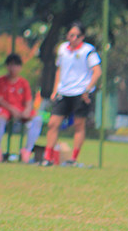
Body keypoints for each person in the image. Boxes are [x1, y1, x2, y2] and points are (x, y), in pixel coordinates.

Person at [43, 22, 102, 166]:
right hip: (64, 92)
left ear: (82, 37)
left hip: (80, 93)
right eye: (71, 35)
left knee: (78, 125)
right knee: (53, 123)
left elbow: (97, 72)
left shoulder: (88, 50)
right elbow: (59, 70)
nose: (73, 38)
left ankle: (73, 159)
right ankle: (47, 157)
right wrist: (55, 90)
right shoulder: (62, 49)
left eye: (77, 36)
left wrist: (87, 89)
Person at [0, 53, 43, 163]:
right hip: (6, 109)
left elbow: (28, 100)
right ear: (7, 66)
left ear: (20, 67)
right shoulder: (0, 81)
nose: (13, 68)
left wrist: (26, 111)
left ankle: (27, 150)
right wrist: (12, 109)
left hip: (20, 109)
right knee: (0, 119)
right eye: (10, 65)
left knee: (37, 119)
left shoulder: (23, 83)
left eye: (16, 65)